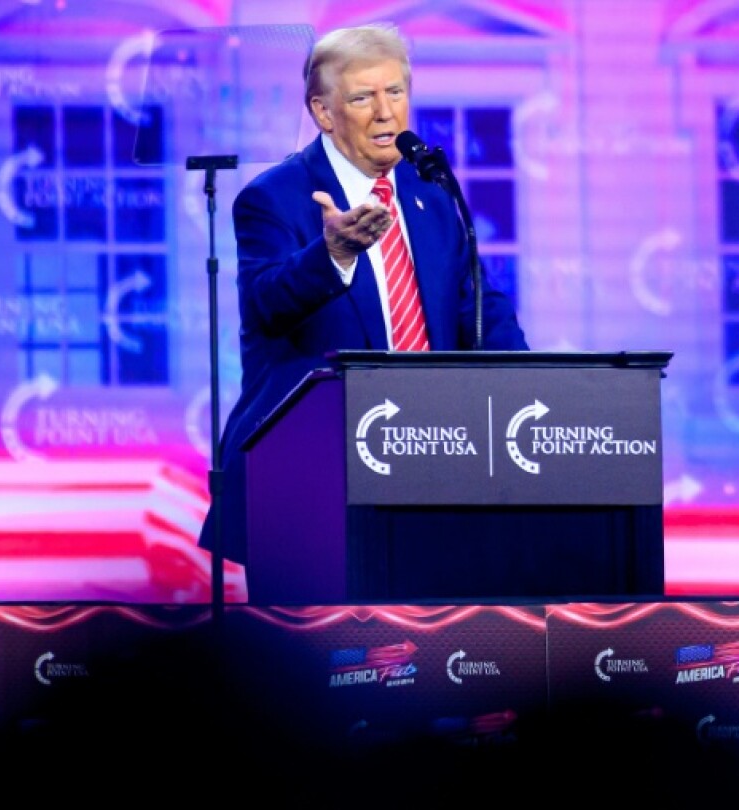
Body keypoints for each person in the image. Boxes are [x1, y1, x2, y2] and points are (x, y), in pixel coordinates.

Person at [198, 23, 529, 577]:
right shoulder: (273, 198)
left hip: (435, 462)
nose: (385, 112)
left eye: (395, 92)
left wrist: (536, 389)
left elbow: (480, 309)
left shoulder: (430, 191)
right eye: (362, 98)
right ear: (324, 113)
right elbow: (265, 303)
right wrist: (333, 255)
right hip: (312, 474)